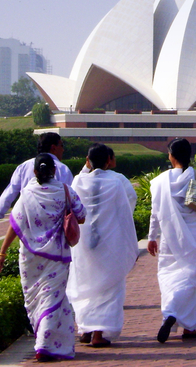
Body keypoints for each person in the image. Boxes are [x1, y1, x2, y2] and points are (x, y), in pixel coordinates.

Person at [0, 153, 86, 362]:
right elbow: (81, 216)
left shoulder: (26, 194)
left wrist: (2, 252)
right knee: (52, 298)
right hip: (58, 255)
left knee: (35, 299)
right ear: (54, 170)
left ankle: (44, 343)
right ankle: (46, 345)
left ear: (35, 172)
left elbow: (14, 225)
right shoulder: (66, 191)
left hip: (30, 258)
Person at [67, 143, 139, 348]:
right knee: (109, 286)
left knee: (85, 281)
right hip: (110, 241)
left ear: (87, 161)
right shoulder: (117, 182)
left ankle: (85, 328)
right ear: (109, 160)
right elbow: (127, 207)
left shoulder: (78, 180)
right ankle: (99, 332)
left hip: (83, 242)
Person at [147, 138, 196, 343]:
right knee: (192, 279)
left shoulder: (160, 181)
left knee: (169, 277)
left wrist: (151, 237)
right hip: (195, 236)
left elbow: (155, 212)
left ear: (171, 155)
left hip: (170, 238)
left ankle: (172, 313)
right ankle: (187, 325)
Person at [0, 132, 73, 243]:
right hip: (56, 235)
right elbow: (71, 201)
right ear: (53, 147)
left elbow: (9, 195)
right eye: (61, 146)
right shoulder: (63, 169)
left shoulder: (24, 167)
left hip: (28, 234)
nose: (63, 150)